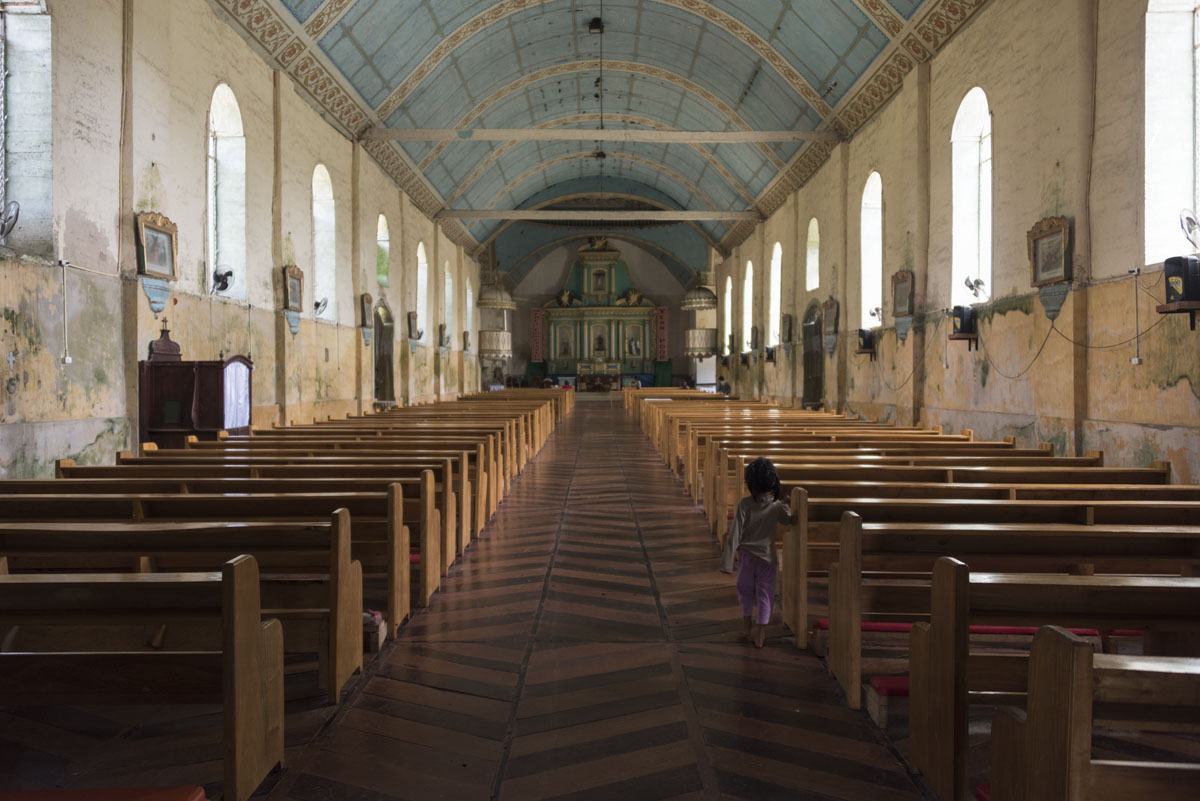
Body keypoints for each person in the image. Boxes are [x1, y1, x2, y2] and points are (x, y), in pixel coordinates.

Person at [719, 457, 796, 648]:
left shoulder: (745, 504)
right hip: (767, 558)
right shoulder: (777, 506)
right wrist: (786, 503)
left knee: (744, 590)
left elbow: (734, 533)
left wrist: (727, 562)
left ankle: (747, 628)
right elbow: (789, 520)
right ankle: (761, 634)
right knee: (765, 593)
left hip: (747, 557)